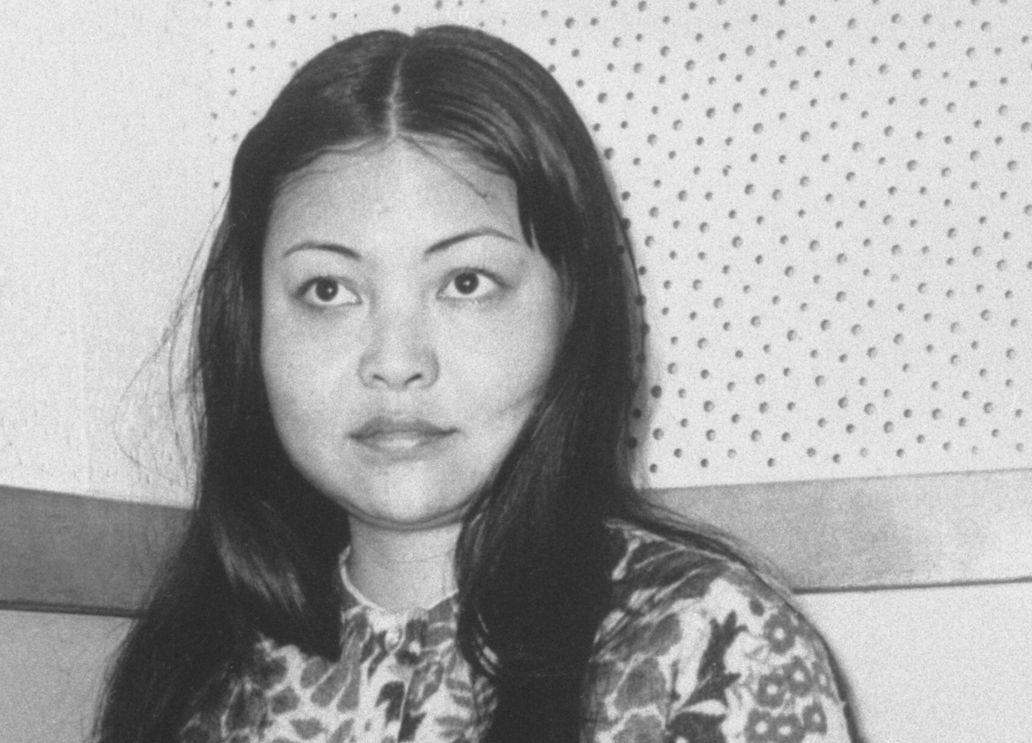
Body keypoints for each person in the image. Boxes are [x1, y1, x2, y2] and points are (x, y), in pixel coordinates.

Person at [95, 25, 854, 743]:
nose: (395, 360)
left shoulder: (710, 645)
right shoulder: (195, 670)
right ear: (249, 324)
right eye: (328, 290)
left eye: (465, 281)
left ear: (573, 309)